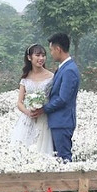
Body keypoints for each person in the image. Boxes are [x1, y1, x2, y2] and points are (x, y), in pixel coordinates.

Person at [32, 32, 80, 162]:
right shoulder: (63, 68)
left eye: (52, 50)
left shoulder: (69, 70)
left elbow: (63, 98)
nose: (51, 53)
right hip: (57, 121)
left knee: (64, 158)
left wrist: (43, 109)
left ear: (58, 49)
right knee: (57, 159)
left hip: (62, 122)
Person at [9, 44, 54, 156]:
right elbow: (19, 102)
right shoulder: (25, 78)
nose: (41, 58)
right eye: (37, 55)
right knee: (23, 150)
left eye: (43, 55)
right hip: (28, 119)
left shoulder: (51, 77)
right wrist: (28, 112)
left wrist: (43, 109)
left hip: (44, 117)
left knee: (42, 150)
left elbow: (53, 98)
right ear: (29, 57)